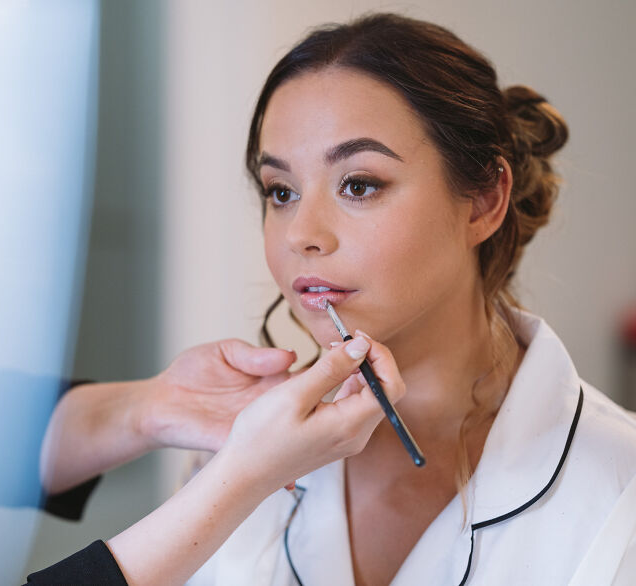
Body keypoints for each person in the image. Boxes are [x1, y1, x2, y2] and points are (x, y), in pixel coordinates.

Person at [37, 12, 636, 586]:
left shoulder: (619, 486)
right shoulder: (236, 456)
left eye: (359, 184)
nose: (301, 234)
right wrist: (220, 459)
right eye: (280, 191)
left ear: (482, 201)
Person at [28, 334, 406, 584]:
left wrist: (159, 403)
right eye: (280, 205)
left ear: (470, 214)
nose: (299, 236)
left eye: (359, 203)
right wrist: (245, 476)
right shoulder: (216, 473)